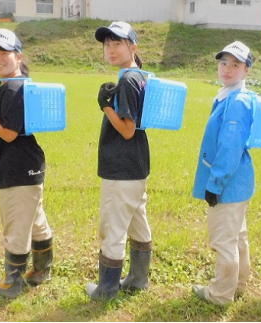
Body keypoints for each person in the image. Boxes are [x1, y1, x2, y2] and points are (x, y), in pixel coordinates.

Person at [0, 29, 53, 298]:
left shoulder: (12, 87)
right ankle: (42, 271)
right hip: (30, 166)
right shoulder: (21, 84)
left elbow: (8, 133)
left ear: (18, 56)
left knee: (16, 225)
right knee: (35, 220)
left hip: (16, 168)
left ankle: (11, 283)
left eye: (3, 52)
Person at [85, 21, 152, 300]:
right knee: (138, 221)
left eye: (117, 43)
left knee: (113, 226)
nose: (110, 49)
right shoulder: (140, 76)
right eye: (107, 44)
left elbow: (126, 129)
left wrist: (105, 106)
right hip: (136, 166)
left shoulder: (126, 80)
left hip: (121, 168)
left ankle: (107, 288)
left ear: (132, 47)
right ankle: (138, 279)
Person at [191, 41, 255, 305]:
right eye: (224, 63)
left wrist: (214, 184)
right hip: (239, 183)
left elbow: (229, 148)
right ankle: (238, 285)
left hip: (229, 184)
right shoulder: (230, 96)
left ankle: (219, 295)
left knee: (224, 241)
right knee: (238, 236)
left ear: (246, 70)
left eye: (235, 64)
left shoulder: (236, 102)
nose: (227, 69)